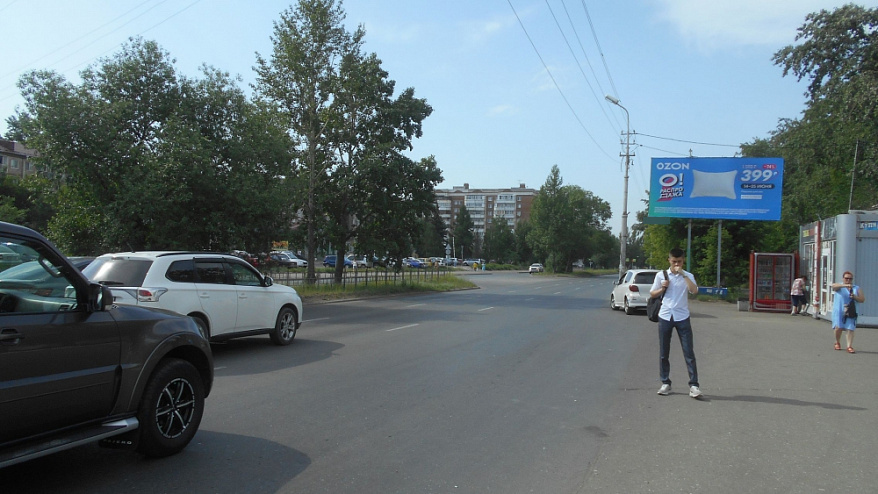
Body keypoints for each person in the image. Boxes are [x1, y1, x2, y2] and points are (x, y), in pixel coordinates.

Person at [650, 247, 701, 398]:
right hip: (665, 316)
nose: (676, 264)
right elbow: (653, 293)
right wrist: (662, 288)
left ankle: (694, 385)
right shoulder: (661, 275)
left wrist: (683, 274)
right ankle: (665, 382)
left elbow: (694, 290)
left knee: (688, 352)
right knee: (664, 352)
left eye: (679, 261)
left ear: (683, 261)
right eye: (674, 261)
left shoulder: (688, 275)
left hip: (682, 317)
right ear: (669, 260)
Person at [831, 271, 866, 354]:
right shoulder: (839, 286)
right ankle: (837, 342)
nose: (848, 280)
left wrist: (855, 297)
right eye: (846, 278)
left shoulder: (856, 288)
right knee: (838, 328)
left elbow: (862, 299)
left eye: (850, 279)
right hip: (839, 310)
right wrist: (845, 285)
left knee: (850, 328)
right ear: (843, 278)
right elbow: (833, 286)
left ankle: (849, 346)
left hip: (851, 311)